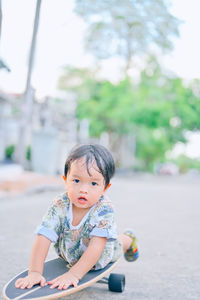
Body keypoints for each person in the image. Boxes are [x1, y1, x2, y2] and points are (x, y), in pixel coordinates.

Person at [15, 144, 139, 291]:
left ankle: (129, 239)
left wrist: (73, 275)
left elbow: (96, 246)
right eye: (76, 181)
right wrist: (34, 272)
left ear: (105, 188)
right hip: (70, 254)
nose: (83, 189)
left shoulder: (104, 210)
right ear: (65, 180)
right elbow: (44, 235)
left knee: (116, 244)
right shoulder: (60, 205)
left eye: (93, 183)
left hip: (100, 254)